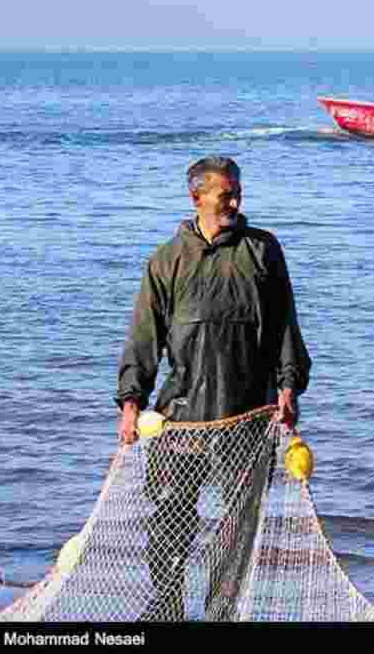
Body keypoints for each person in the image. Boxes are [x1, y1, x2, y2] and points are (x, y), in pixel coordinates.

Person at [115, 155, 311, 621]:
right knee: (169, 519)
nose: (235, 201)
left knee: (239, 525)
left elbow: (286, 325)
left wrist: (288, 387)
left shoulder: (262, 251)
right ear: (196, 198)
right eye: (225, 194)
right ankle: (167, 609)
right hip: (180, 417)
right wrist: (130, 402)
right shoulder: (167, 260)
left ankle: (221, 614)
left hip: (247, 414)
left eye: (237, 192)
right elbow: (144, 337)